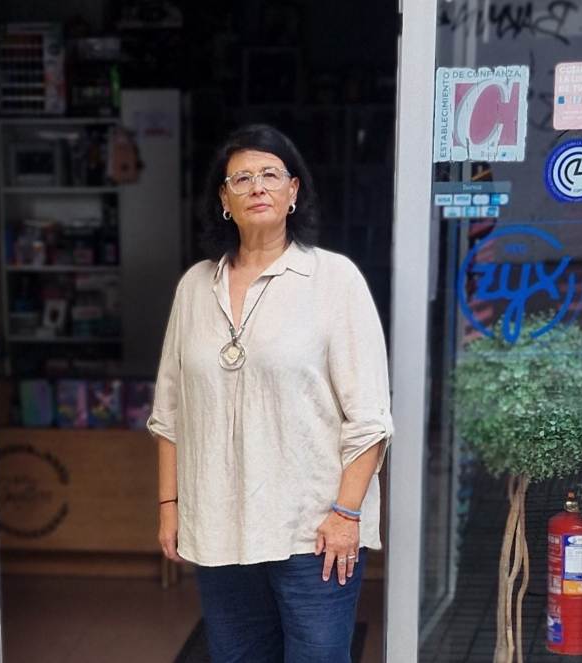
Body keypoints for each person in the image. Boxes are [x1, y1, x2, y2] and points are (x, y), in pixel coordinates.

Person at [147, 124, 395, 663]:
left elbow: (371, 418)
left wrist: (346, 515)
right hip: (217, 527)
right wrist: (170, 507)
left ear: (293, 192)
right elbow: (169, 415)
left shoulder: (333, 280)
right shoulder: (195, 287)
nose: (257, 186)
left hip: (312, 531)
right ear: (223, 199)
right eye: (242, 177)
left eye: (270, 175)